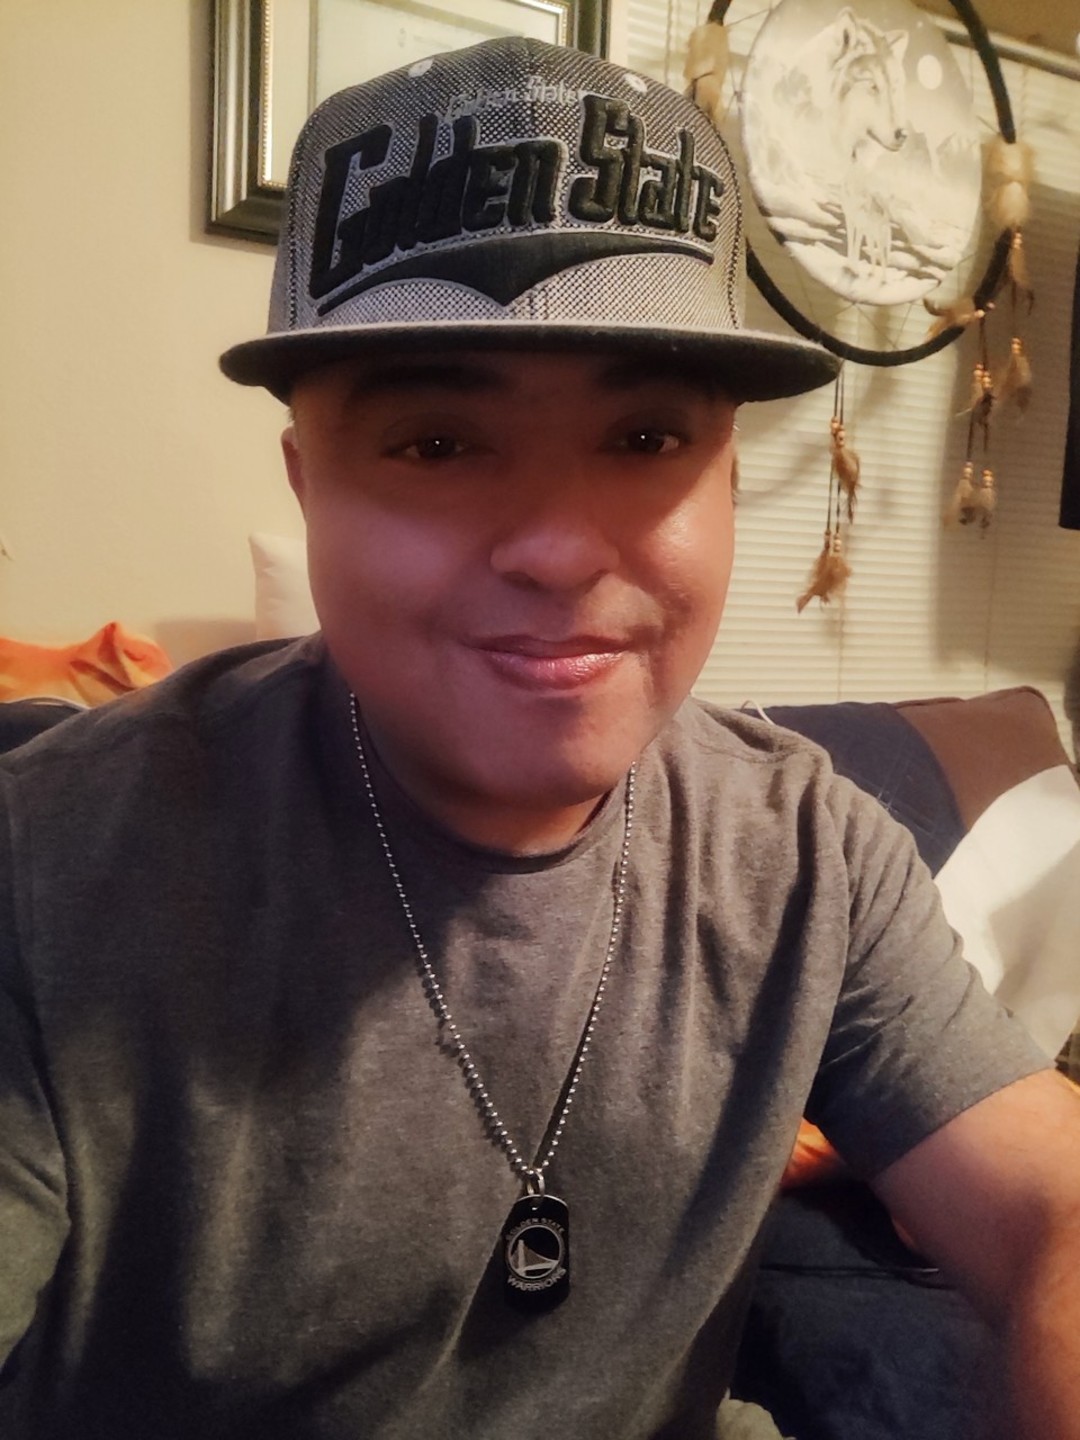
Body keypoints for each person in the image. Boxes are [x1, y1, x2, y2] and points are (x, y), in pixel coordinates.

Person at [1, 34, 1078, 1440]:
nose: (562, 548)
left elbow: (1054, 1207)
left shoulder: (812, 856)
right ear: (307, 488)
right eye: (438, 444)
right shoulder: (51, 863)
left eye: (646, 440)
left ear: (727, 479)